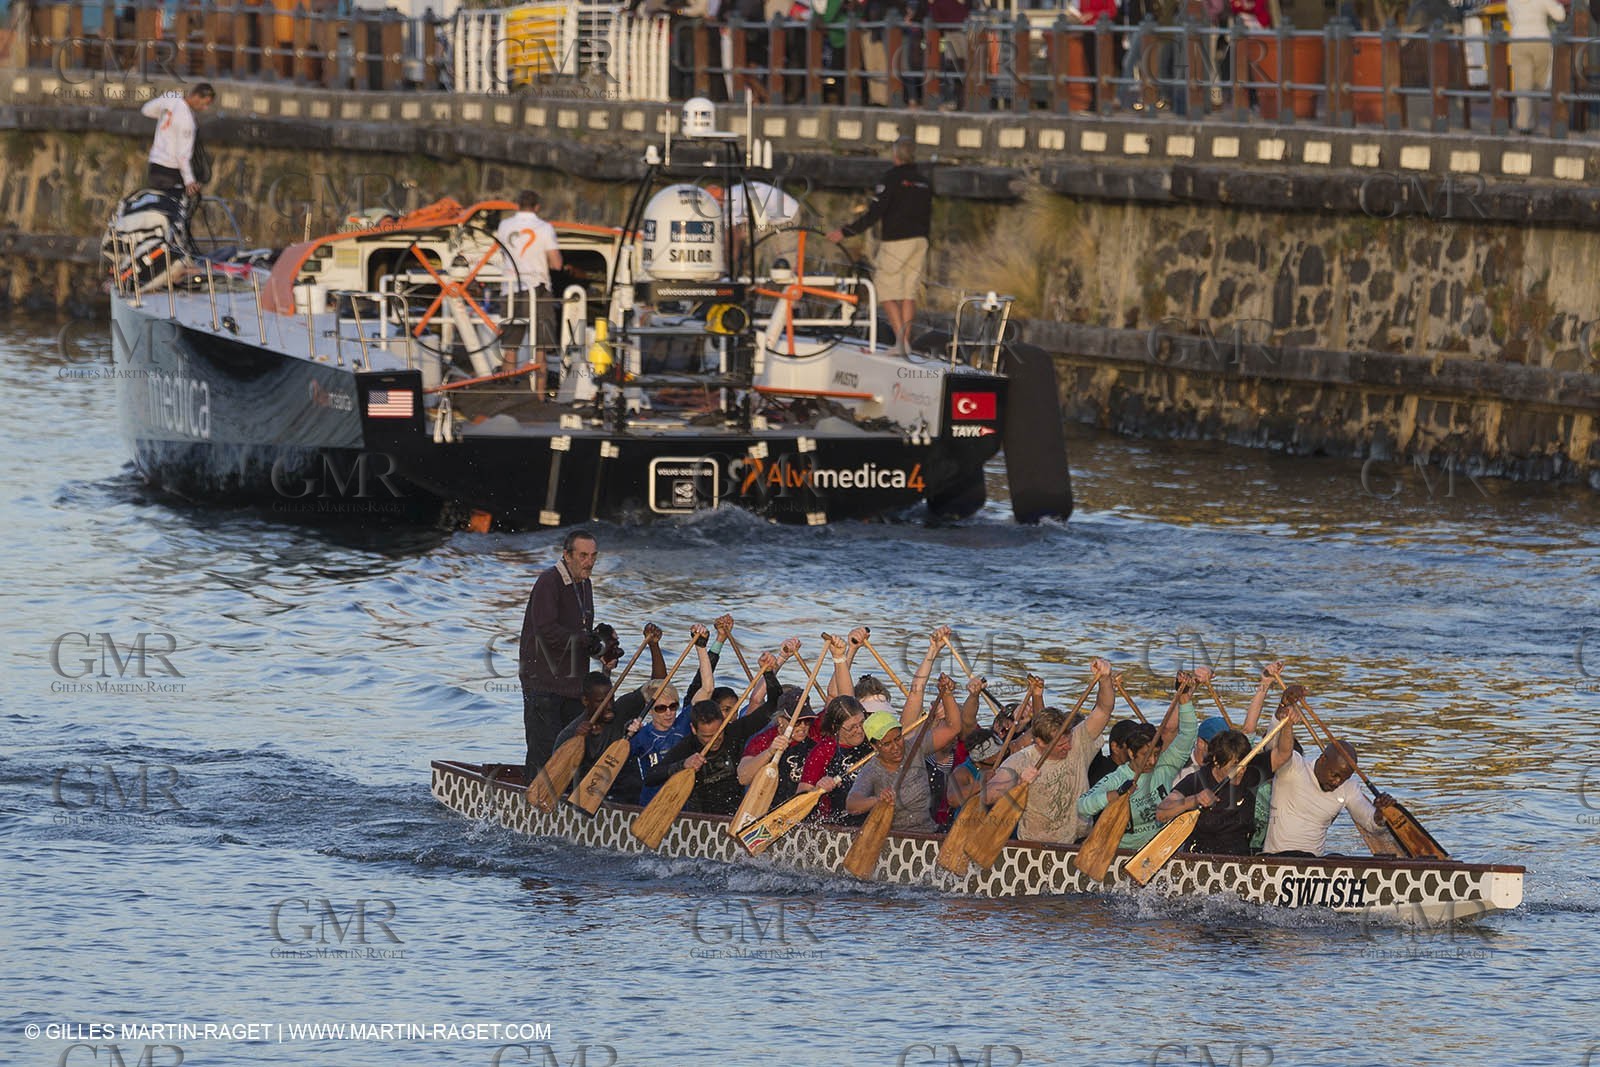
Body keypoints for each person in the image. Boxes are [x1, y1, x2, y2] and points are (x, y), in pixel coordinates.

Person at [642, 641, 797, 814]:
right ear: (694, 729)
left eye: (718, 733)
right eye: (706, 737)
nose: (714, 741)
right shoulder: (688, 746)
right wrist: (683, 764)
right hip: (699, 815)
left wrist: (768, 673)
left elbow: (773, 704)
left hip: (734, 812)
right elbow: (651, 777)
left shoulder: (735, 731)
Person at [518, 530, 615, 782]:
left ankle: (568, 797)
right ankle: (533, 798)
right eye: (583, 556)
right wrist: (587, 640)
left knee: (573, 753)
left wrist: (601, 644)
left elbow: (578, 632)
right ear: (567, 555)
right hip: (543, 685)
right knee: (544, 753)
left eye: (593, 556)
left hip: (574, 686)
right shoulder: (549, 581)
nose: (589, 562)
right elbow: (546, 631)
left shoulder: (584, 583)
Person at [1157, 687, 1298, 854]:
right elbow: (1161, 812)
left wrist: (1287, 725)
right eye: (1233, 766)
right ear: (1216, 761)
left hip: (1240, 854)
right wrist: (1193, 800)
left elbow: (1283, 754)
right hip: (1201, 854)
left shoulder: (1250, 770)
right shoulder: (1197, 780)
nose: (1241, 771)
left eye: (1243, 765)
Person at [1263, 689, 1402, 857]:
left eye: (1343, 778)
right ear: (1322, 759)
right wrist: (1283, 708)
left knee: (1337, 857)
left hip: (1314, 864)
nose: (1337, 782)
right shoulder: (1293, 767)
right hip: (1276, 859)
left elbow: (1370, 823)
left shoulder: (1348, 788)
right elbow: (1272, 747)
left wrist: (1380, 814)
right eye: (1335, 775)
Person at [826, 137, 932, 354]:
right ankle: (905, 344)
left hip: (896, 242)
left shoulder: (891, 178)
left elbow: (874, 213)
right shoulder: (924, 182)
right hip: (920, 241)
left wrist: (845, 232)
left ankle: (901, 343)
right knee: (908, 292)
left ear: (895, 155)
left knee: (885, 289)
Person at [995, 657, 1117, 845]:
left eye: (1068, 741)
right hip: (1034, 846)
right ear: (1040, 742)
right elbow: (990, 793)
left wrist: (1105, 679)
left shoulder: (1079, 740)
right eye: (1060, 746)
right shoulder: (1020, 760)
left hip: (1079, 841)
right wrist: (1018, 784)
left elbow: (1104, 709)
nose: (1068, 747)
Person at [1077, 672, 1202, 850]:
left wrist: (1184, 700)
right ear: (1130, 752)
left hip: (1164, 848)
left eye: (1156, 754)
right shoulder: (1118, 778)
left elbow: (1188, 734)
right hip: (1126, 853)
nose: (1152, 761)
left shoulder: (1166, 765)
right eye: (1145, 755)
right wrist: (1116, 794)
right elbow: (1082, 806)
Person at [845, 665, 966, 833]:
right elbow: (852, 804)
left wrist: (946, 695)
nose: (896, 747)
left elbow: (954, 728)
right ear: (874, 746)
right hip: (892, 835)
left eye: (898, 739)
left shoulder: (916, 747)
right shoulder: (873, 769)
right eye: (887, 744)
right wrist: (877, 800)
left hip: (928, 830)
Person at [494, 189, 563, 383]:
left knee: (510, 347)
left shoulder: (504, 225)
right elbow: (556, 264)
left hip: (510, 290)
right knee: (540, 349)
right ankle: (539, 395)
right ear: (537, 207)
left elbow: (501, 253)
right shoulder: (545, 228)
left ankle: (508, 392)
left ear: (518, 205)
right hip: (537, 290)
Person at [141, 83, 214, 197]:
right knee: (173, 205)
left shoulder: (171, 97)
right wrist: (189, 181)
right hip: (172, 172)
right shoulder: (187, 120)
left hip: (155, 168)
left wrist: (164, 117)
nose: (205, 108)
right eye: (205, 104)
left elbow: (146, 110)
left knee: (156, 201)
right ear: (196, 97)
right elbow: (182, 155)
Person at [1506, 0, 1567, 134]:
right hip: (1541, 41)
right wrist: (1558, 5)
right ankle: (1534, 122)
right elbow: (1560, 16)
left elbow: (1512, 19)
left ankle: (1524, 124)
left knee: (1522, 84)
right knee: (1538, 83)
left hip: (1518, 40)